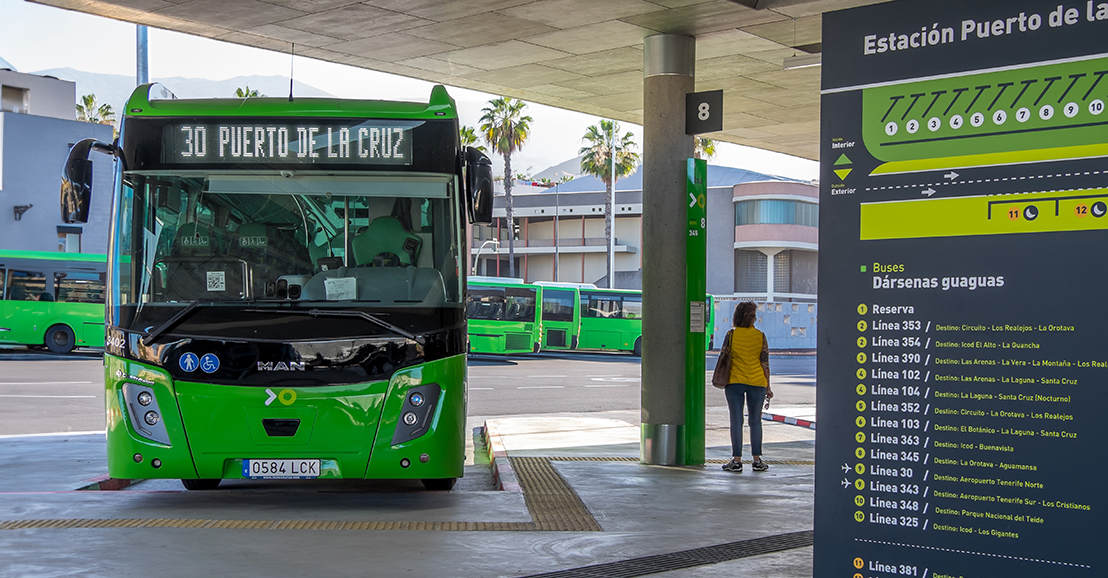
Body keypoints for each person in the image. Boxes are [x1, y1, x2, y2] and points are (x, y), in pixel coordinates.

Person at [712, 301, 773, 473]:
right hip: (757, 383)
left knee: (736, 421)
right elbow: (765, 363)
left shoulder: (731, 335)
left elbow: (724, 357)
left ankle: (737, 461)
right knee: (755, 421)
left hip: (735, 382)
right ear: (753, 318)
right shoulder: (760, 336)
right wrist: (768, 387)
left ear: (736, 316)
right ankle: (757, 460)